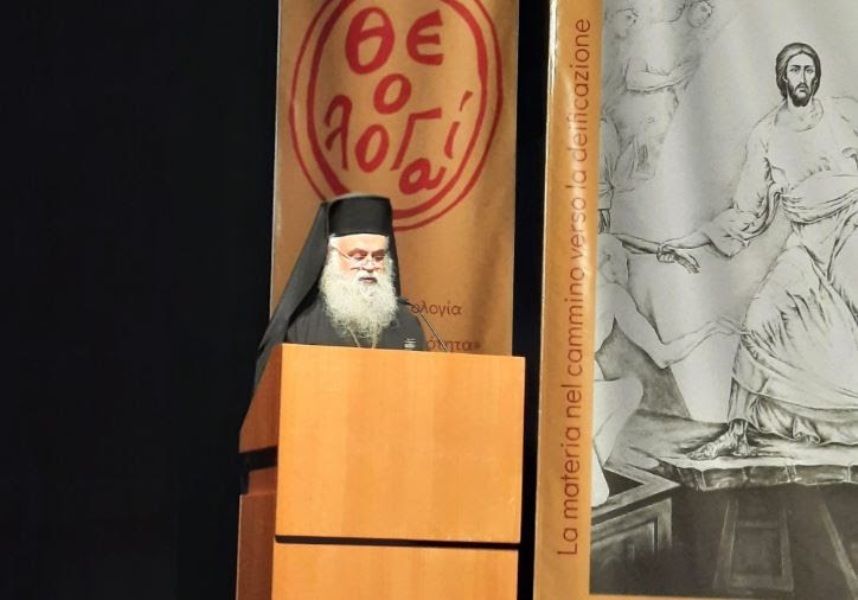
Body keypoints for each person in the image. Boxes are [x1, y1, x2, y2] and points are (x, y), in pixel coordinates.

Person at [659, 43, 858, 459]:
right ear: (782, 77)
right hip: (805, 240)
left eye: (809, 70)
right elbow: (747, 212)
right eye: (795, 70)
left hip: (851, 226)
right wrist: (690, 240)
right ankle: (737, 431)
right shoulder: (766, 135)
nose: (802, 78)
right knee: (759, 319)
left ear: (817, 76)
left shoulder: (843, 113)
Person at [591, 233, 733, 504]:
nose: (627, 272)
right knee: (597, 496)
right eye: (624, 263)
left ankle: (596, 458)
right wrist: (708, 329)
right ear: (608, 262)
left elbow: (624, 239)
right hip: (578, 385)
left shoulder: (579, 280)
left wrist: (666, 249)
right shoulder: (613, 294)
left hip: (581, 379)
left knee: (629, 391)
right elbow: (663, 356)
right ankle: (594, 460)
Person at [254, 194, 426, 384]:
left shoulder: (408, 325)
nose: (370, 266)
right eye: (358, 257)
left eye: (378, 257)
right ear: (331, 256)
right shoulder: (302, 327)